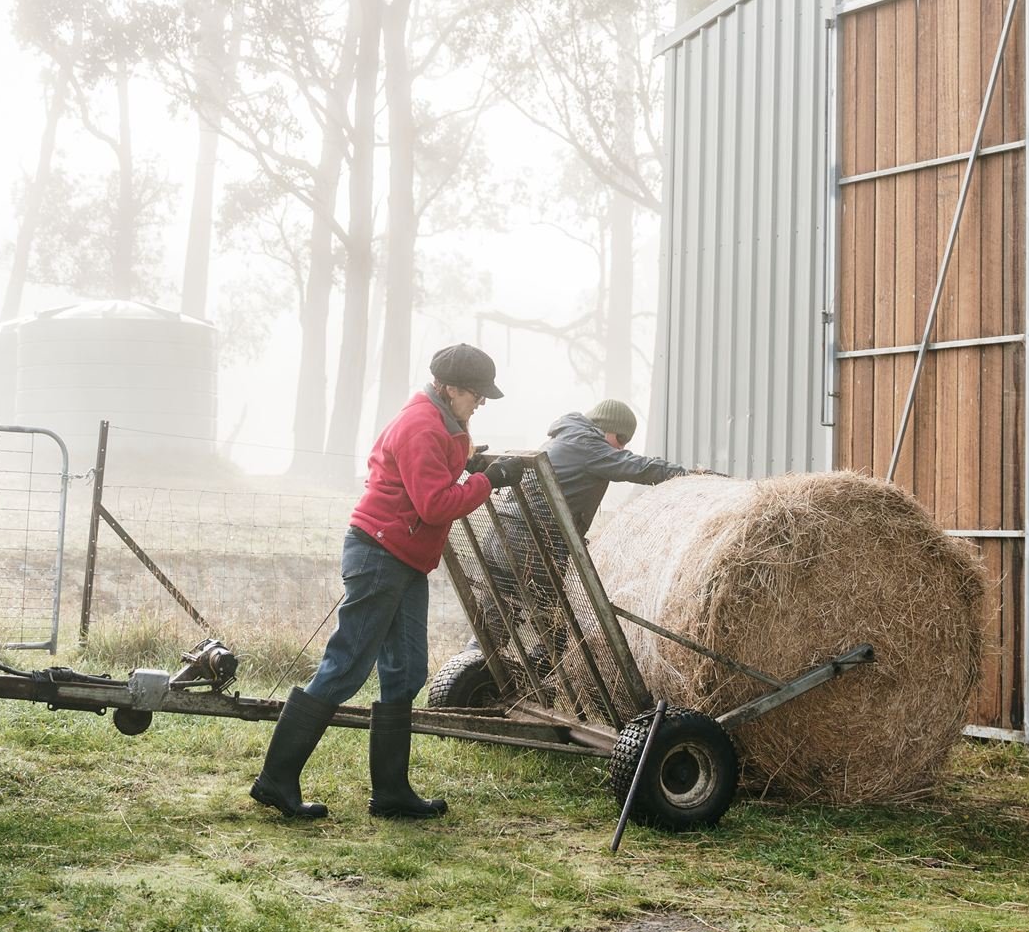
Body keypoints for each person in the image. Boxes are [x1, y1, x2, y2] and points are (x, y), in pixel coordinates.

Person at [250, 343, 525, 821]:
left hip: (404, 556)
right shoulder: (421, 424)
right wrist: (489, 481)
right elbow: (435, 505)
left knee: (406, 672)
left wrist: (471, 469)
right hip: (381, 554)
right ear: (449, 388)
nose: (480, 402)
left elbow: (432, 477)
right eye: (477, 394)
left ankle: (392, 792)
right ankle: (276, 779)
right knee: (346, 666)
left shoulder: (440, 421)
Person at [477, 400, 700, 658]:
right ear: (612, 432)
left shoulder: (564, 437)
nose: (621, 449)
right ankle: (532, 686)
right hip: (532, 543)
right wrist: (689, 475)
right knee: (556, 625)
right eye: (622, 441)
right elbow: (640, 467)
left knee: (497, 613)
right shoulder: (589, 445)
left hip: (499, 534)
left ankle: (477, 668)